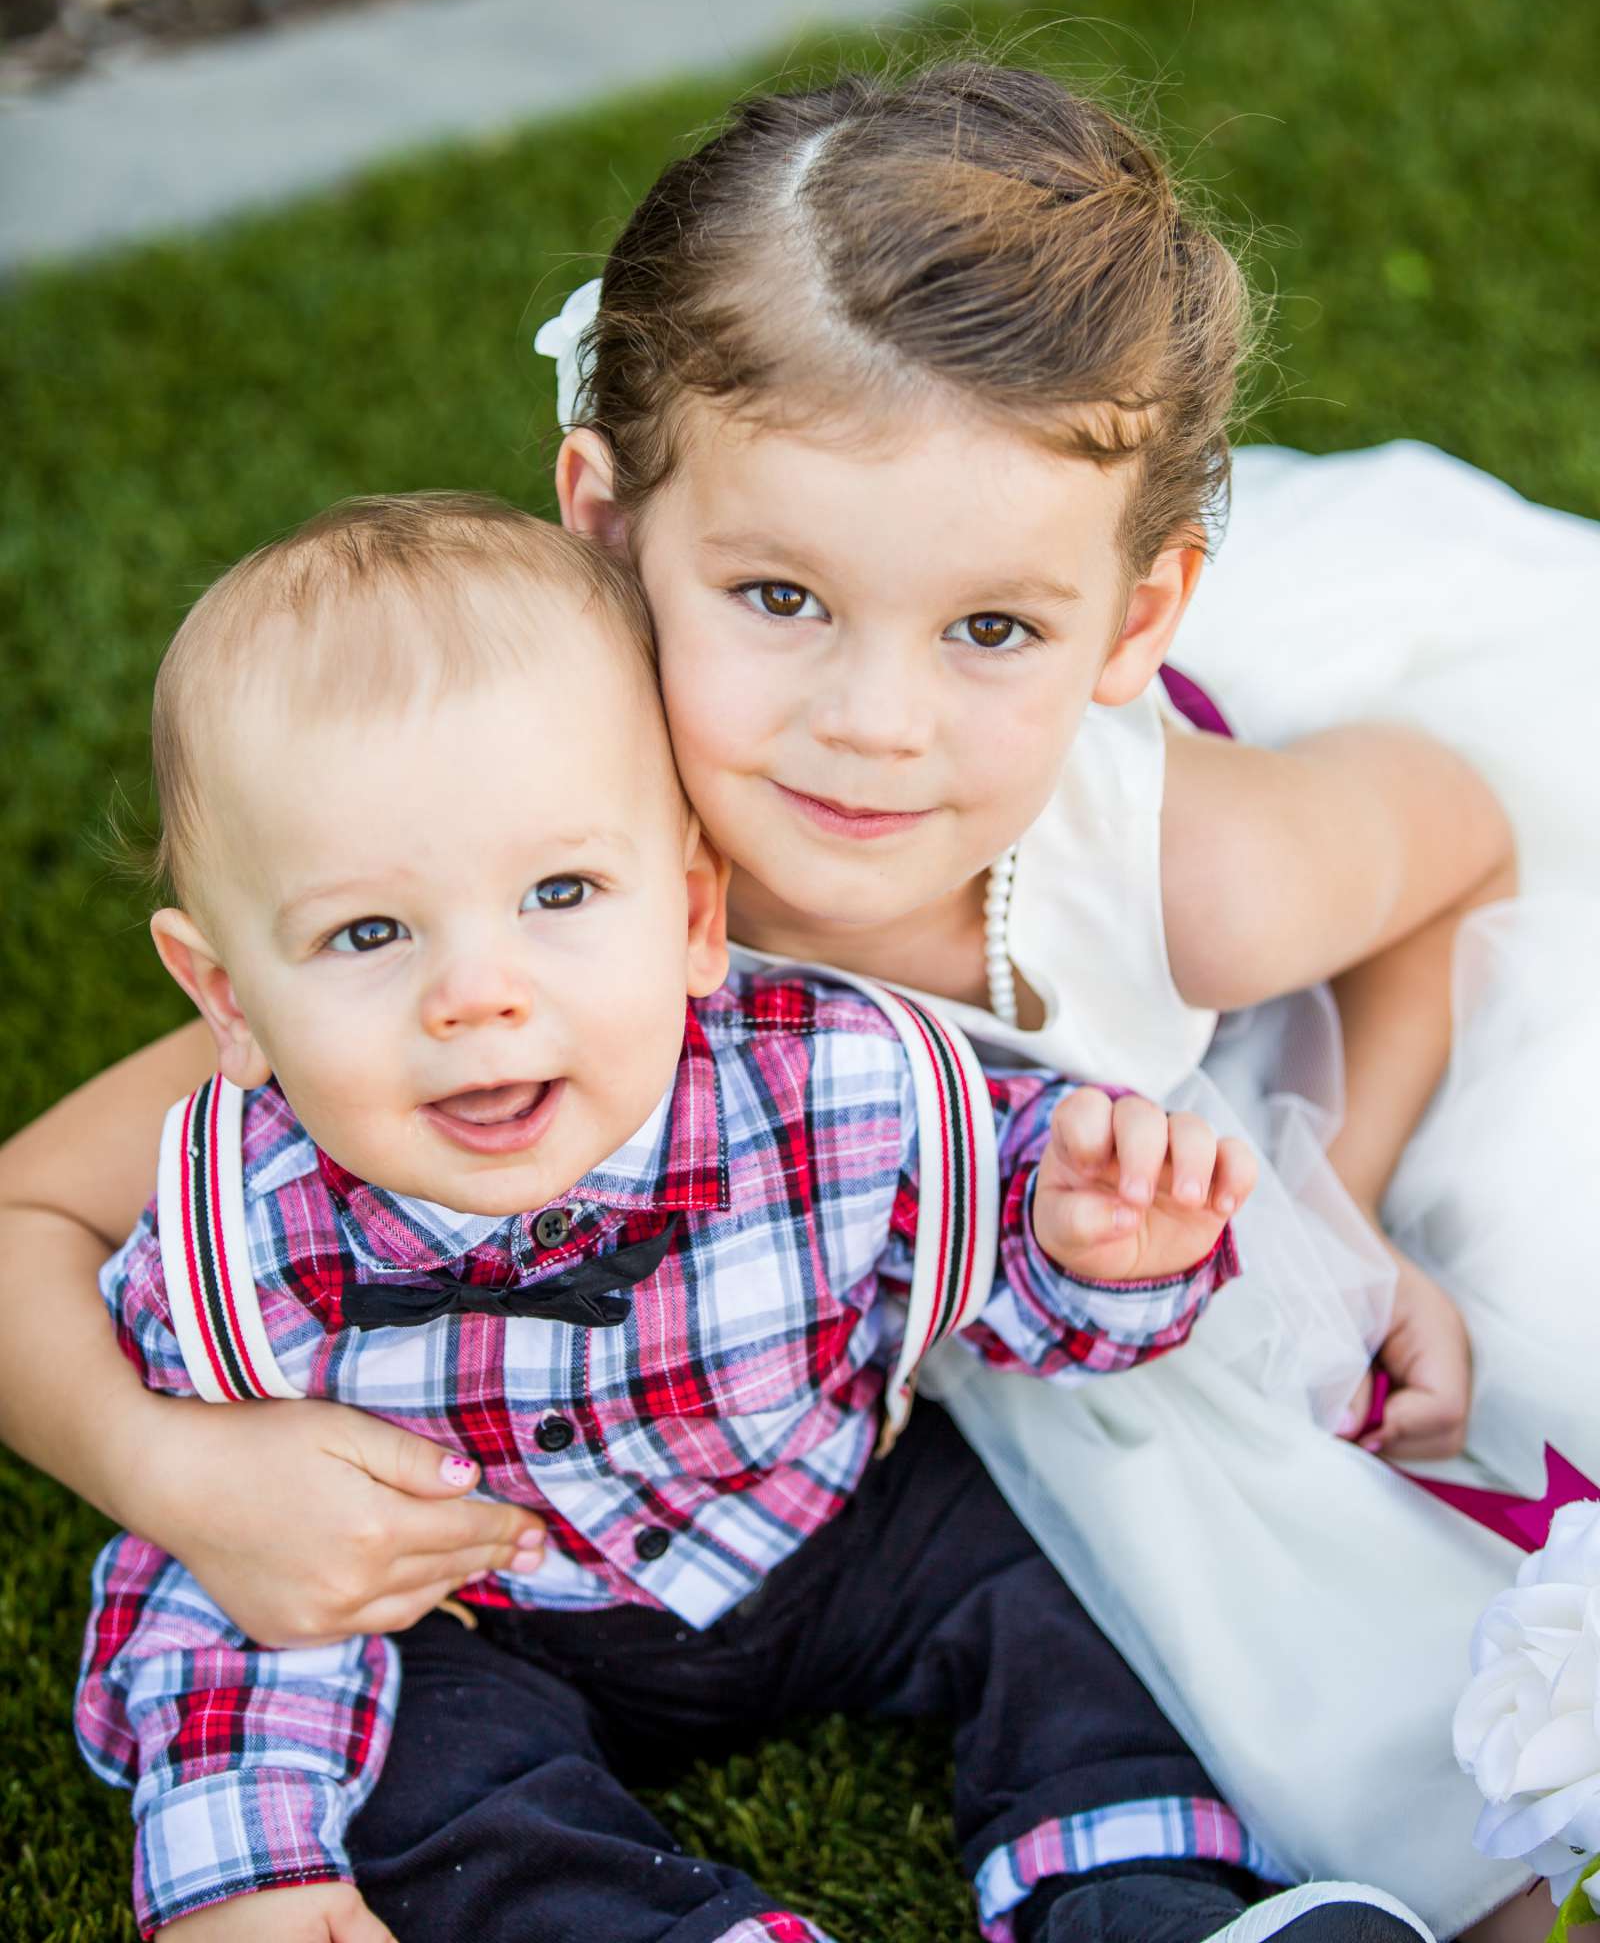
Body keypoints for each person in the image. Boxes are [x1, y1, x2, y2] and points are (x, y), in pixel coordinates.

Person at [5, 61, 1590, 1932]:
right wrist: (173, 1467)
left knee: (1298, 1595)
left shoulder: (1204, 878)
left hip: (1063, 1208)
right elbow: (37, 1202)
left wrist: (1344, 1178)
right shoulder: (505, 898)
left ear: (1130, 625)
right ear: (607, 519)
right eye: (776, 597)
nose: (872, 724)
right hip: (814, 1322)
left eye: (990, 628)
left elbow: (1472, 840)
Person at [75, 490, 1419, 1943]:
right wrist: (247, 1862)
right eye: (369, 934)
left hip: (827, 1510)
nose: (476, 993)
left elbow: (1008, 1257)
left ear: (698, 912)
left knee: (1059, 1588)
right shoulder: (235, 1239)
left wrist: (1094, 1244)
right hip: (487, 1615)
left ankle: (1144, 1902)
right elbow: (237, 1566)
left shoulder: (830, 1078)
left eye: (562, 891)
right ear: (225, 996)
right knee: (423, 1786)